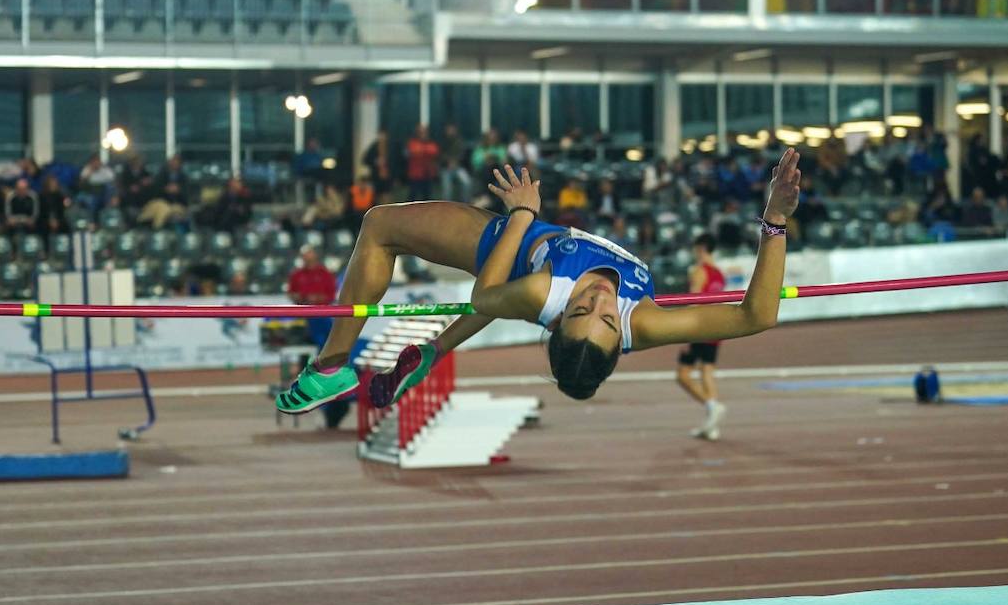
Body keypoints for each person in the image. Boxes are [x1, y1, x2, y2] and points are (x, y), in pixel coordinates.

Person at [274, 149, 800, 415]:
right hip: (516, 274)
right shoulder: (646, 319)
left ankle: (329, 369)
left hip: (501, 241)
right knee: (500, 301)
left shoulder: (541, 293)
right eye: (604, 318)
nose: (597, 301)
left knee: (380, 225)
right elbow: (758, 315)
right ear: (622, 338)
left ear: (559, 319)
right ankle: (431, 354)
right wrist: (774, 222)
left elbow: (485, 293)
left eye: (578, 313)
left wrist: (523, 214)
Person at [678, 235, 729, 440]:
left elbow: (694, 301)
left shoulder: (699, 271)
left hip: (699, 327)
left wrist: (684, 328)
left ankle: (712, 406)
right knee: (707, 370)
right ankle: (712, 425)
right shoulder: (718, 274)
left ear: (700, 248)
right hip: (715, 327)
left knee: (683, 375)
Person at [405, 125, 441, 201]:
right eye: (421, 132)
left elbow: (435, 151)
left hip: (428, 174)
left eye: (425, 132)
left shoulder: (431, 143)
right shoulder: (412, 142)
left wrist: (423, 151)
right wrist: (424, 151)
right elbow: (414, 152)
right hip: (415, 174)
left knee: (427, 197)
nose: (423, 134)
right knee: (412, 196)